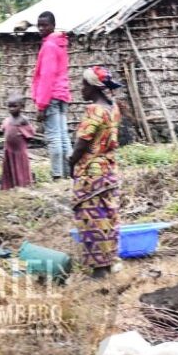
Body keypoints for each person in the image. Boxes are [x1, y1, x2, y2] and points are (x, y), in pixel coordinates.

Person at [69, 65, 124, 279]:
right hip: (109, 169)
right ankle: (108, 262)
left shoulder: (94, 110)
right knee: (108, 214)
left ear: (93, 87)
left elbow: (83, 141)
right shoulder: (113, 108)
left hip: (91, 172)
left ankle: (99, 269)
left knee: (92, 217)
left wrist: (71, 162)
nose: (80, 89)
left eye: (83, 85)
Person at [30, 10, 71, 181]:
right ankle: (69, 173)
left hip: (51, 97)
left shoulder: (48, 46)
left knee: (54, 137)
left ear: (53, 26)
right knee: (63, 136)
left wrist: (41, 105)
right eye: (39, 25)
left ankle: (57, 175)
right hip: (62, 96)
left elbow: (47, 77)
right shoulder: (60, 44)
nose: (41, 28)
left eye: (44, 25)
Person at [0, 95, 35, 190]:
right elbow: (2, 130)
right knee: (9, 167)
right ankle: (9, 186)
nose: (11, 109)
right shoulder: (7, 120)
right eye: (9, 106)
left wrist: (22, 136)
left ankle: (23, 185)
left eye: (14, 106)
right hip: (8, 150)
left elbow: (30, 133)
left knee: (20, 167)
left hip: (19, 150)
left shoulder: (23, 120)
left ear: (22, 107)